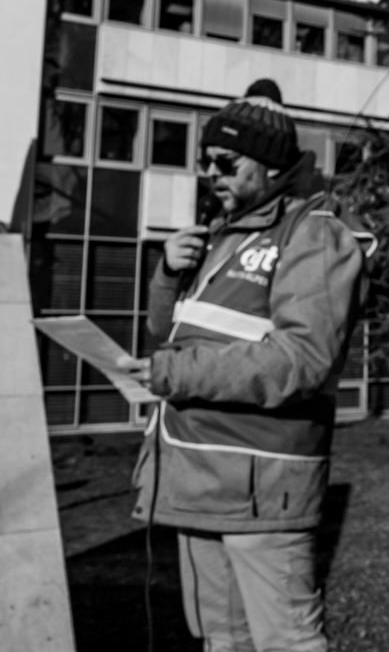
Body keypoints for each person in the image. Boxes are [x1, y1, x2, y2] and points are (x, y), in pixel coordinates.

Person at [119, 79, 374, 652]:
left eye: (226, 162)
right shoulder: (220, 234)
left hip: (262, 484)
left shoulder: (315, 232)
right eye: (205, 161)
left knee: (286, 642)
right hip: (196, 477)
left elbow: (303, 359)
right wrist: (168, 271)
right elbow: (168, 333)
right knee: (221, 638)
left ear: (270, 164)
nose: (211, 173)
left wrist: (175, 374)